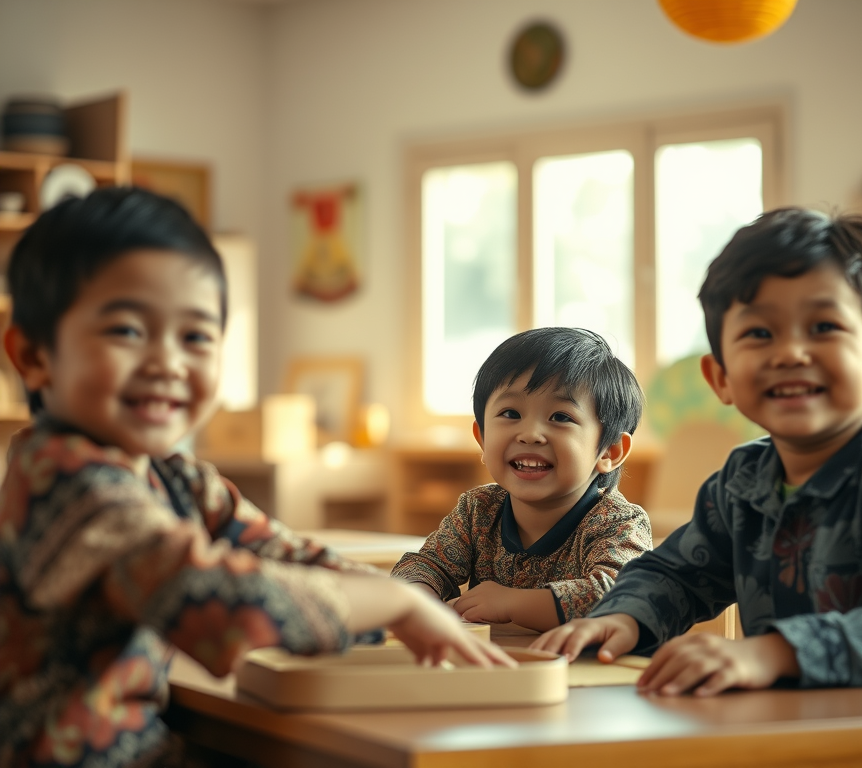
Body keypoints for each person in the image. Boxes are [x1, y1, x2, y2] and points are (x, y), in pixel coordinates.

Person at [0, 187, 512, 768]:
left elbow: (283, 552)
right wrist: (390, 602)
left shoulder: (174, 478)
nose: (167, 362)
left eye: (194, 337)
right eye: (126, 331)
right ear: (35, 356)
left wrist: (412, 605)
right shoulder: (64, 484)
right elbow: (215, 607)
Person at [533, 207, 862, 695]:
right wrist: (623, 618)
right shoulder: (743, 479)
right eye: (759, 333)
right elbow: (679, 575)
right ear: (722, 378)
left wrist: (774, 652)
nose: (790, 353)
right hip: (803, 725)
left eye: (823, 327)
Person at [391, 327, 652, 632]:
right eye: (511, 413)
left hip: (579, 674)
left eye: (561, 417)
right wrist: (420, 600)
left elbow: (621, 595)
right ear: (483, 440)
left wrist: (511, 603)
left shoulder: (618, 523)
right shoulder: (479, 510)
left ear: (610, 450)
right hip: (493, 670)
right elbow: (424, 566)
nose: (529, 434)